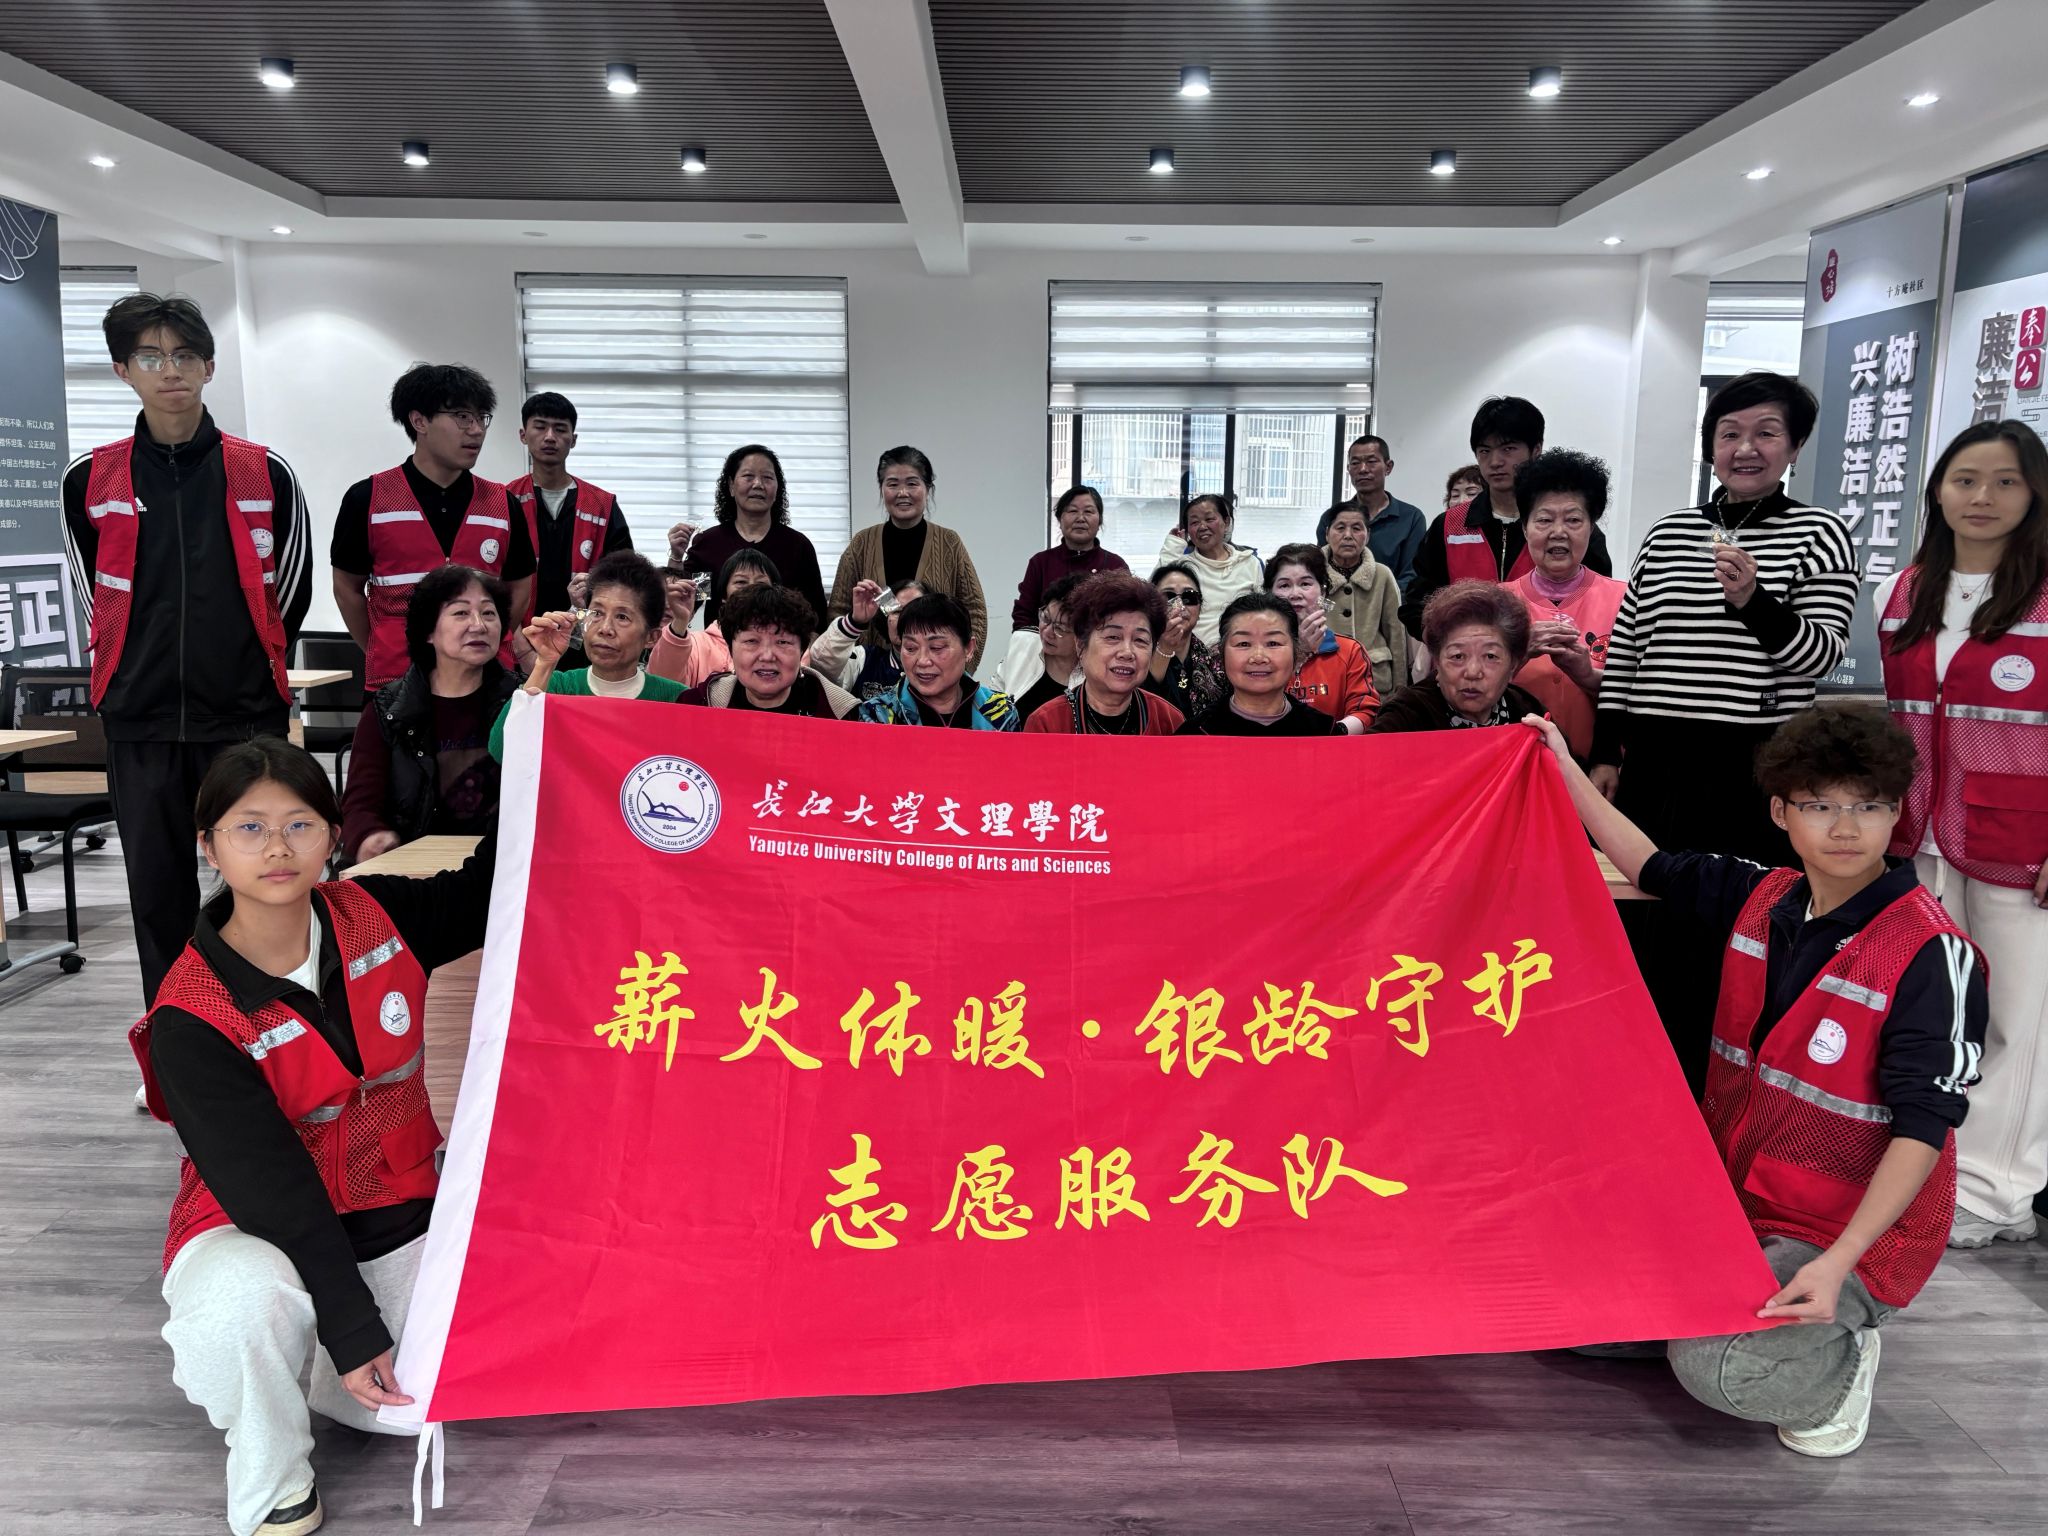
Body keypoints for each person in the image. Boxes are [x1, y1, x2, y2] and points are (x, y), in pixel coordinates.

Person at [1532, 702, 1986, 1459]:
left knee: (1723, 1371)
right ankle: (1702, 1316)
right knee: (1573, 1302)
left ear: (1895, 812)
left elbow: (1924, 1127)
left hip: (1845, 1234)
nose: (1846, 828)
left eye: (1868, 807)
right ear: (1781, 812)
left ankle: (1842, 1362)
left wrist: (1841, 1261)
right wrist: (1558, 760)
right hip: (1735, 1203)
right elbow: (1648, 865)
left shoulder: (1930, 951)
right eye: (1821, 806)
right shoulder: (1762, 896)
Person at [135, 737, 499, 1536]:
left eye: (299, 825)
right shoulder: (190, 1015)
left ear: (333, 837)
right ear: (209, 847)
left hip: (393, 1206)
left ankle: (327, 1373)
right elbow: (273, 1193)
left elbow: (490, 886)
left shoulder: (376, 914)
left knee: (447, 1387)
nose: (277, 848)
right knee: (244, 1304)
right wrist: (351, 1323)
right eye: (250, 827)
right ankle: (271, 1467)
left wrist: (538, 738)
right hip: (252, 1225)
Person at [60, 292, 313, 1020]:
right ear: (123, 370)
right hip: (139, 720)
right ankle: (176, 1039)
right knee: (157, 892)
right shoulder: (90, 478)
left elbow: (289, 593)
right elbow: (94, 599)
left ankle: (268, 1032)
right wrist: (129, 680)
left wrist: (246, 673)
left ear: (208, 366)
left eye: (183, 355)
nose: (169, 370)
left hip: (243, 719)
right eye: (150, 357)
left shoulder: (265, 472)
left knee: (260, 884)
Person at [1876, 419, 2048, 1249]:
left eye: (2006, 481)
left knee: (2019, 1017)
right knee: (1944, 1010)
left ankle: (1995, 1190)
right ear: (1938, 490)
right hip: (1920, 832)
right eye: (1965, 479)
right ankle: (1931, 1170)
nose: (1983, 497)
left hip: (2024, 841)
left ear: (2034, 495)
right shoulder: (1905, 591)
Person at [1593, 371, 1859, 861]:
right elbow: (1626, 650)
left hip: (1755, 763)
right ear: (1711, 448)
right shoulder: (1668, 532)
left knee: (1743, 896)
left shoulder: (1819, 532)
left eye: (1767, 432)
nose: (1746, 448)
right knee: (1643, 892)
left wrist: (1752, 601)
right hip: (1654, 758)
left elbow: (1820, 656)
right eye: (1730, 433)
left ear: (1795, 447)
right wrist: (1606, 753)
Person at [331, 364, 535, 693]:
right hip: (395, 681)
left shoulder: (503, 503)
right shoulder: (368, 499)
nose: (476, 430)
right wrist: (380, 645)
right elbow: (346, 589)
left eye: (481, 417)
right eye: (461, 416)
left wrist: (485, 640)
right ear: (419, 421)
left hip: (484, 682)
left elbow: (519, 588)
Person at [341, 565, 517, 865]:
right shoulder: (389, 709)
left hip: (499, 865)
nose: (478, 625)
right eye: (461, 613)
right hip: (413, 864)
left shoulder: (522, 699)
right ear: (428, 632)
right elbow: (360, 803)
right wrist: (371, 837)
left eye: (489, 613)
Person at [1401, 398, 1613, 637]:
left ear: (1536, 450)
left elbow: (1596, 603)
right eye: (1484, 451)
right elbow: (1416, 604)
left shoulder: (1569, 530)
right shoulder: (1450, 525)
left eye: (1508, 449)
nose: (1495, 462)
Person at [490, 550, 684, 759]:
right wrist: (545, 663)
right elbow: (502, 751)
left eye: (622, 617)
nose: (605, 629)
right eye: (597, 613)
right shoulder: (558, 687)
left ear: (651, 637)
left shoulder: (676, 699)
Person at [1501, 449, 1628, 762]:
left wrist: (1588, 676)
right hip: (1513, 766)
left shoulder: (1625, 600)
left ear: (1591, 528)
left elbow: (1640, 695)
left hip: (1599, 770)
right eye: (1544, 520)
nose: (1558, 532)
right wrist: (1518, 654)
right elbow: (1469, 688)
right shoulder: (1495, 604)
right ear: (1525, 528)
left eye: (1573, 520)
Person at [829, 447, 988, 667]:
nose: (902, 493)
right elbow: (838, 609)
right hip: (870, 675)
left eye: (912, 483)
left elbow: (975, 611)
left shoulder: (949, 542)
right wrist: (848, 668)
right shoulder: (862, 543)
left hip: (935, 671)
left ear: (928, 488)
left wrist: (962, 668)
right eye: (893, 484)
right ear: (882, 489)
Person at [507, 391, 632, 622]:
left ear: (573, 440)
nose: (550, 437)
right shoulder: (506, 499)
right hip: (519, 632)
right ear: (523, 435)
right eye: (540, 427)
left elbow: (623, 574)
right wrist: (515, 636)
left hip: (588, 630)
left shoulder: (602, 505)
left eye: (560, 429)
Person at [677, 443, 828, 630]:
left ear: (777, 489)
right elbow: (691, 603)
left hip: (781, 644)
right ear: (731, 486)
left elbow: (816, 617)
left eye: (767, 478)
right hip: (721, 645)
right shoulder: (709, 544)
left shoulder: (797, 546)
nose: (758, 484)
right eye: (748, 476)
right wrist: (676, 557)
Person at [1371, 581, 1543, 733]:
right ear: (1437, 662)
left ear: (1513, 665)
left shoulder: (1528, 712)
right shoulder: (1404, 716)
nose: (1472, 672)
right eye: (1458, 656)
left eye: (1490, 656)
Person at [1023, 574, 1185, 735]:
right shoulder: (1046, 723)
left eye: (1140, 640)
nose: (1127, 652)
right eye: (1113, 637)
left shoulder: (1169, 721)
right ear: (1080, 645)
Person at [1177, 594, 1344, 736]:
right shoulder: (1194, 735)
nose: (1258, 657)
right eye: (1243, 644)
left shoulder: (1325, 732)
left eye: (1273, 643)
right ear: (1221, 654)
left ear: (1296, 652)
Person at [679, 585, 858, 717]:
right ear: (731, 648)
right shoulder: (696, 705)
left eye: (782, 642)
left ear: (802, 650)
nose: (767, 656)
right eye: (751, 641)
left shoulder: (842, 713)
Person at [854, 593, 1018, 729]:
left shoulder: (1001, 713)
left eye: (937, 647)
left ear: (968, 648)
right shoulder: (878, 714)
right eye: (911, 648)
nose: (922, 661)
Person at [1265, 544, 1379, 733]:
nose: (1295, 594)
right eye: (1284, 585)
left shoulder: (1350, 651)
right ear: (1269, 593)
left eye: (1305, 584)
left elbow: (1365, 711)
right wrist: (1297, 654)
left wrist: (1334, 736)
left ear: (1323, 592)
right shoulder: (1255, 651)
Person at [647, 547, 779, 687]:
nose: (751, 589)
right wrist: (680, 622)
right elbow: (662, 685)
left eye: (761, 583)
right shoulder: (696, 644)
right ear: (724, 595)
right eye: (741, 582)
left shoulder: (786, 642)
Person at [1314, 435, 1427, 595]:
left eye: (1371, 461)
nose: (1363, 469)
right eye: (1355, 463)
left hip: (1391, 604)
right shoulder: (1331, 517)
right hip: (1338, 603)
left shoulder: (1411, 518)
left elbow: (1411, 576)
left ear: (1388, 467)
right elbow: (1322, 568)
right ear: (1348, 469)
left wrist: (1379, 601)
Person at [1317, 503, 1406, 694]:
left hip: (1374, 680)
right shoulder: (1312, 573)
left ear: (1368, 535)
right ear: (1327, 534)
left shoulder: (1382, 575)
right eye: (1340, 528)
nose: (1348, 535)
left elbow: (1396, 633)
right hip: (1323, 679)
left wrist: (1400, 689)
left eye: (1357, 528)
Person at [1009, 484, 1128, 626]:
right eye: (1072, 511)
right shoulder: (1040, 562)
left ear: (1100, 521)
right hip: (1048, 639)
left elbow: (1126, 617)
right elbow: (1024, 615)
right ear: (1060, 520)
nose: (1080, 518)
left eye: (1088, 511)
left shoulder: (1116, 566)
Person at [1156, 492, 1262, 648]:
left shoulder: (1249, 563)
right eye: (1194, 522)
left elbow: (1263, 611)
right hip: (1192, 652)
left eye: (1209, 519)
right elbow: (1155, 598)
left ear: (1226, 522)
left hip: (1240, 650)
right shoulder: (1184, 567)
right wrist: (1172, 547)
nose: (1202, 527)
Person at [808, 576, 924, 701]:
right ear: (886, 620)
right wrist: (854, 622)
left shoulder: (938, 665)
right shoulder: (865, 659)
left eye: (914, 612)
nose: (904, 620)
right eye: (897, 612)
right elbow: (820, 667)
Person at [1143, 562, 1226, 719]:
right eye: (1168, 597)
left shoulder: (1217, 661)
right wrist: (1165, 648)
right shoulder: (1137, 652)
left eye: (1189, 597)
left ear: (1200, 608)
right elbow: (1144, 701)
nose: (1180, 606)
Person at [1001, 573, 1087, 718]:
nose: (1047, 632)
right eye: (1045, 618)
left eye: (1060, 628)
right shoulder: (1022, 642)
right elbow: (992, 703)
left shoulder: (1094, 673)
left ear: (1083, 635)